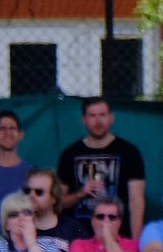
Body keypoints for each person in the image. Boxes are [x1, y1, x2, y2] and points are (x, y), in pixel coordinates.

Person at [57, 97, 146, 237]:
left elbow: (136, 202)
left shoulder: (129, 152)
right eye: (92, 115)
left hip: (119, 238)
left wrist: (135, 242)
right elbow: (58, 203)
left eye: (102, 115)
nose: (98, 121)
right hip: (79, 238)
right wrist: (81, 193)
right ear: (84, 119)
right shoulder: (70, 154)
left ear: (111, 117)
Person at [22, 168, 86, 244]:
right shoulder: (19, 226)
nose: (31, 195)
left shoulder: (72, 228)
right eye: (27, 191)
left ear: (54, 198)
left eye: (39, 192)